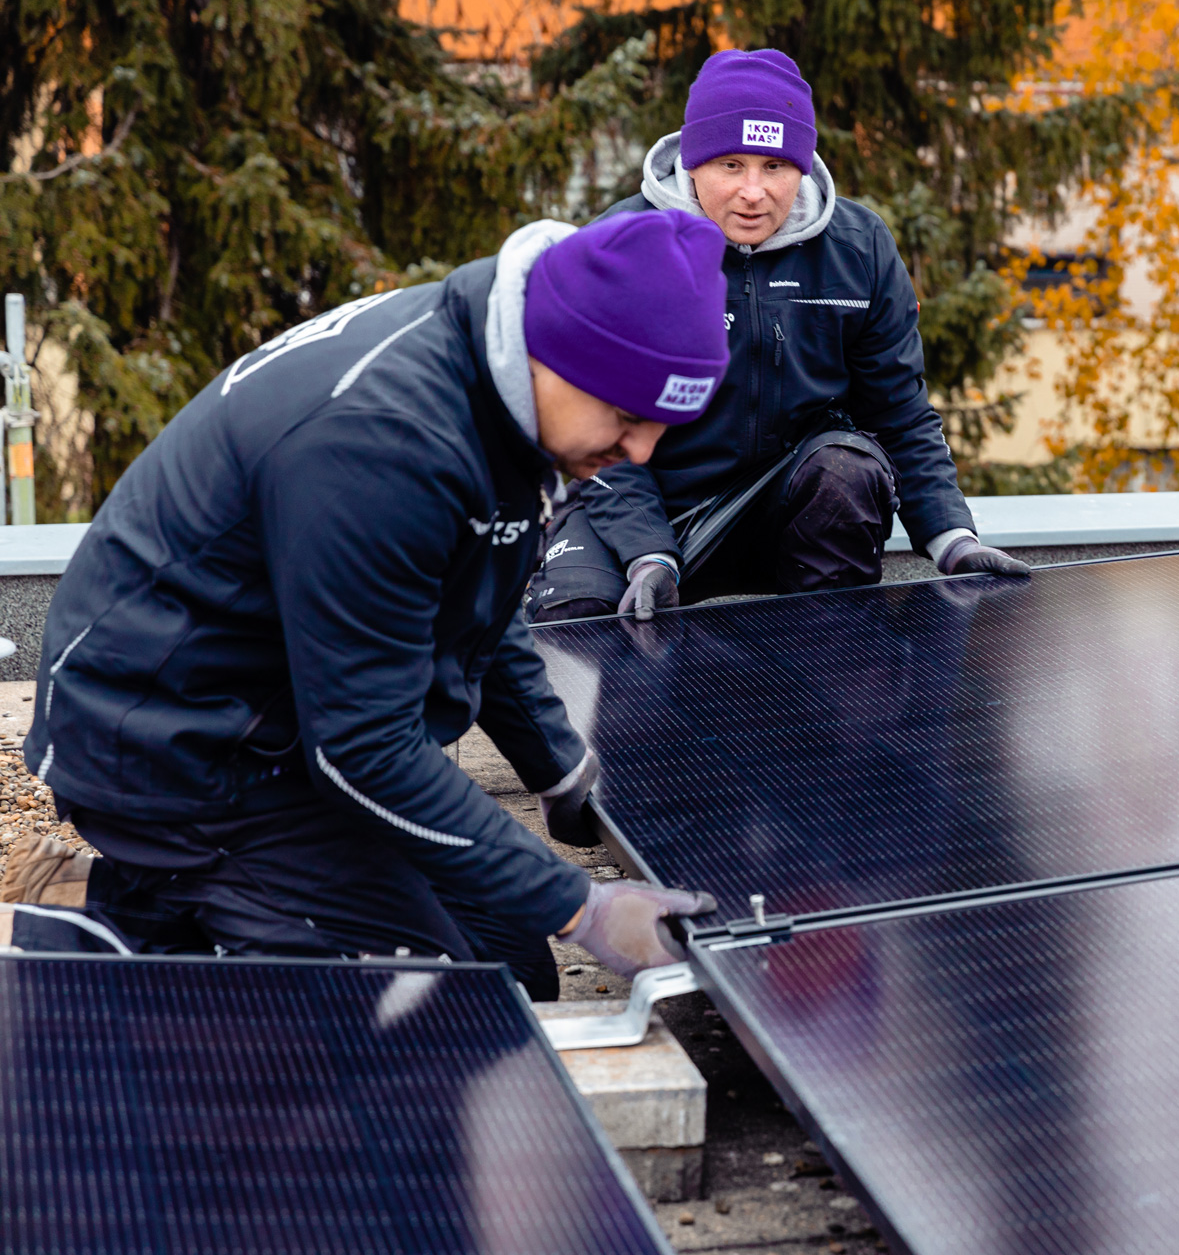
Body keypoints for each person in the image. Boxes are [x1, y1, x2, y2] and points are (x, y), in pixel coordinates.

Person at [18, 211, 731, 997]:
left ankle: (191, 908)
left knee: (515, 970)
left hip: (281, 715)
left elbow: (476, 610)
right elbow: (361, 752)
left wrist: (562, 772)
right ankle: (106, 928)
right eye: (628, 417)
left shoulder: (501, 376)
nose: (639, 453)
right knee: (430, 1007)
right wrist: (582, 908)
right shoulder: (386, 443)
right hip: (172, 744)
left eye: (664, 427)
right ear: (555, 353)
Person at [523, 48, 1029, 625]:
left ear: (802, 167)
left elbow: (900, 411)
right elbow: (590, 434)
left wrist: (952, 537)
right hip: (645, 499)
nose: (754, 192)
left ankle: (824, 700)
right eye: (731, 166)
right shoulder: (623, 244)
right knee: (577, 615)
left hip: (785, 503)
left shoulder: (858, 248)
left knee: (848, 468)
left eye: (775, 166)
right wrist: (646, 553)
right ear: (692, 161)